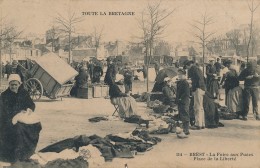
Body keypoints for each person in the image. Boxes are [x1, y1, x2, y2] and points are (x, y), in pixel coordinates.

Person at [0, 74, 42, 162]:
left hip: (22, 118)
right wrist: (17, 113)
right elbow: (4, 112)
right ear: (9, 85)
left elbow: (31, 104)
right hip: (8, 120)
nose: (14, 86)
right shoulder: (4, 95)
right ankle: (17, 155)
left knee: (37, 125)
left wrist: (29, 109)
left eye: (16, 84)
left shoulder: (24, 93)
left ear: (19, 84)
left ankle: (28, 152)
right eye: (12, 85)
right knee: (19, 129)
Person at [184, 60, 206, 130]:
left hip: (198, 89)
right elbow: (202, 79)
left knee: (197, 107)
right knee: (201, 107)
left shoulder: (193, 69)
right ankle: (202, 124)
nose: (187, 69)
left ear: (188, 65)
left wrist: (193, 89)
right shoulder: (198, 68)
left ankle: (197, 124)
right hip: (202, 88)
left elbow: (196, 80)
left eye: (186, 67)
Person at [175, 69, 190, 138]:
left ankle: (186, 131)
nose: (179, 76)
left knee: (185, 115)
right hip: (180, 101)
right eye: (178, 74)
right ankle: (184, 129)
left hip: (184, 101)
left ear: (184, 75)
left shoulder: (185, 83)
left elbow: (186, 93)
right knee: (182, 115)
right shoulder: (180, 82)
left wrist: (181, 99)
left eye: (180, 75)